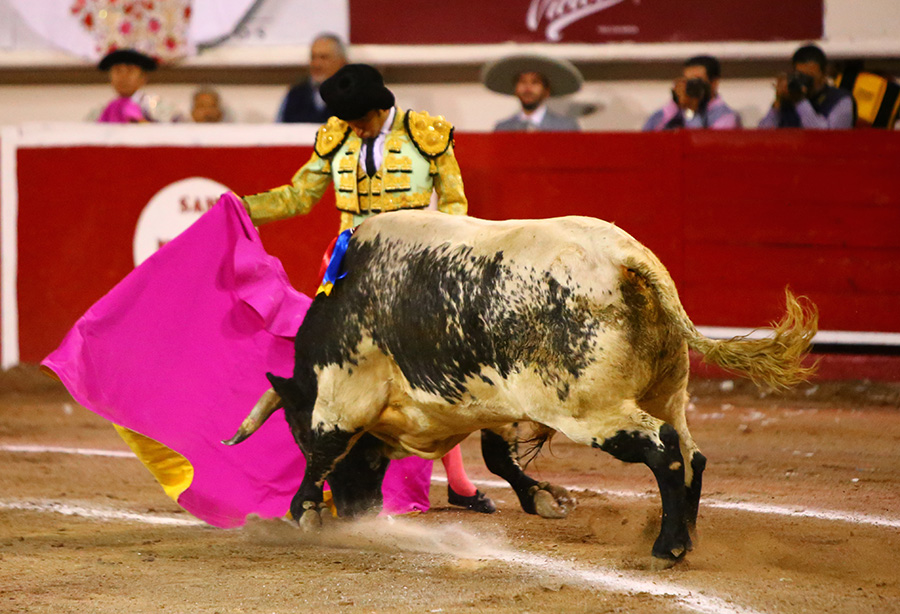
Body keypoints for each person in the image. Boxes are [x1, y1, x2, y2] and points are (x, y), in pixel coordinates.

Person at [244, 63, 495, 514]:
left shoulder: (427, 133)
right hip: (347, 268)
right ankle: (324, 477)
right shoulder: (337, 135)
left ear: (382, 107)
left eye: (361, 120)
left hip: (412, 266)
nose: (356, 129)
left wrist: (445, 251)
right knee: (330, 369)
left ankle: (457, 480)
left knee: (428, 371)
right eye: (349, 121)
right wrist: (242, 209)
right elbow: (298, 196)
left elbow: (455, 202)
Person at [758, 44, 856, 129]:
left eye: (810, 76)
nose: (805, 81)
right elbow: (763, 135)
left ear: (824, 73)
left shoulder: (841, 100)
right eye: (800, 75)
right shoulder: (789, 99)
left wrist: (800, 102)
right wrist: (777, 102)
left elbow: (825, 137)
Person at [482, 54, 582, 132]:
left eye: (535, 82)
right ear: (515, 89)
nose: (528, 88)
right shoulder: (503, 129)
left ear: (546, 91)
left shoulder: (565, 128)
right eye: (522, 82)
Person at [643, 55, 741, 130]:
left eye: (696, 81)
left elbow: (698, 147)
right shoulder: (679, 110)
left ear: (714, 83)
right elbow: (647, 134)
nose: (691, 86)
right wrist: (675, 103)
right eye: (687, 81)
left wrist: (691, 110)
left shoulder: (726, 116)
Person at [276, 34, 348, 124]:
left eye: (324, 58)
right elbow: (278, 129)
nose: (316, 64)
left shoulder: (355, 95)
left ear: (341, 62)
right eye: (313, 57)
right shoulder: (295, 94)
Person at [96, 48, 160, 123]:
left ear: (143, 78)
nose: (123, 76)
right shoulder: (100, 112)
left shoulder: (157, 108)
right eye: (117, 70)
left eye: (130, 70)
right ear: (110, 77)